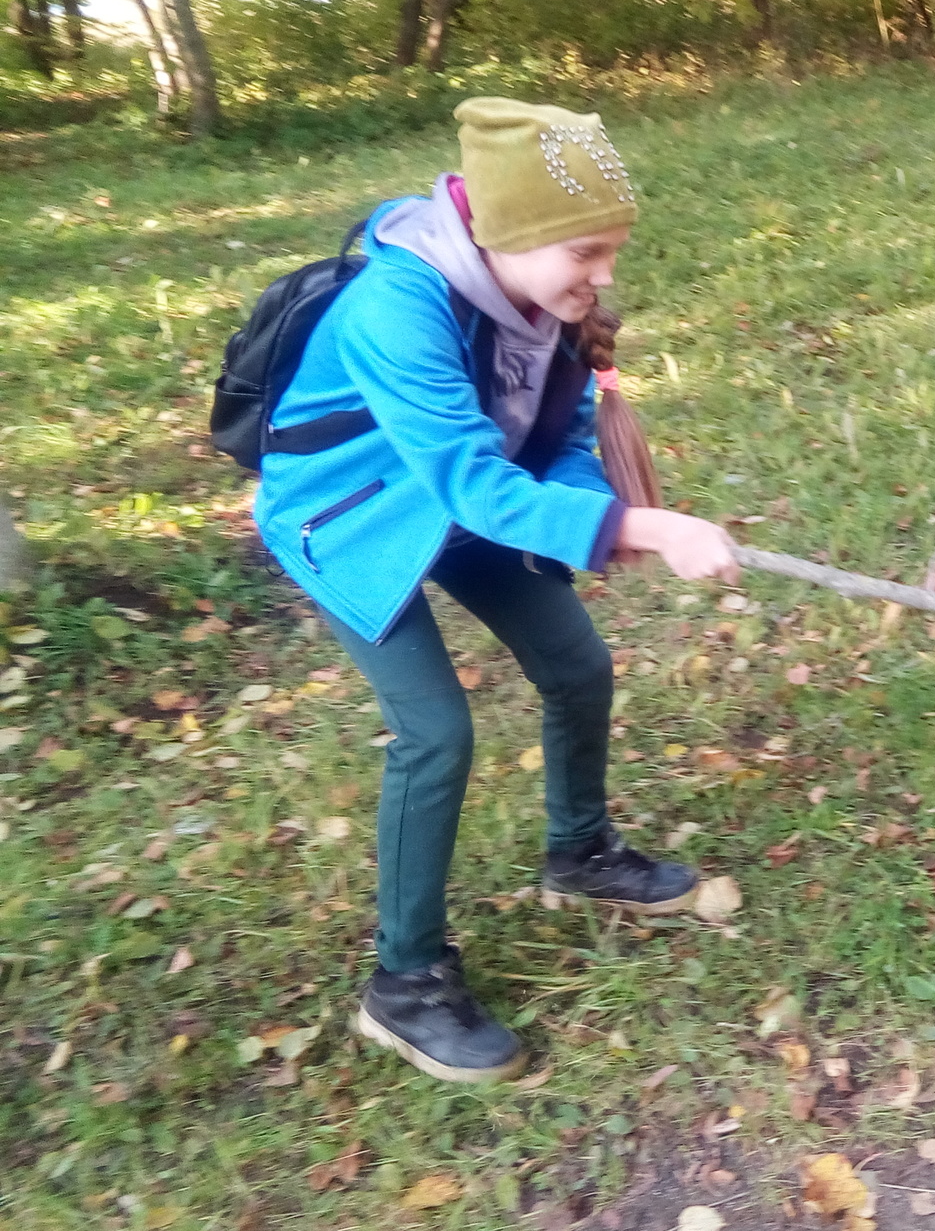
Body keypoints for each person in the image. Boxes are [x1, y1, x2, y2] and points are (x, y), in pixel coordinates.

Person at [254, 97, 739, 1083]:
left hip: (465, 504)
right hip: (351, 522)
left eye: (611, 252)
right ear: (508, 238)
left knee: (575, 663)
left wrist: (595, 507)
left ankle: (579, 852)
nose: (604, 276)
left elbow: (556, 440)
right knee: (436, 732)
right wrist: (639, 527)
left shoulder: (539, 303)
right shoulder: (398, 306)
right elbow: (467, 480)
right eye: (586, 252)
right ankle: (405, 984)